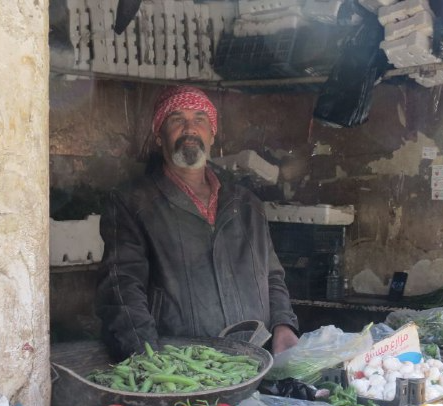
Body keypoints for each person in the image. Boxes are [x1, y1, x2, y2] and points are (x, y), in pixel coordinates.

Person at [95, 85, 299, 360]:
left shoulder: (247, 204)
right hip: (181, 365)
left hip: (253, 360)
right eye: (177, 119)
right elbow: (122, 288)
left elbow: (272, 276)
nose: (190, 128)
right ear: (159, 135)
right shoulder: (132, 203)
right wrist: (147, 358)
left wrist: (283, 324)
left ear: (212, 134)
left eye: (200, 119)